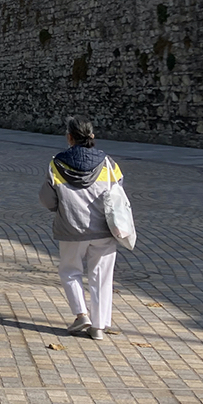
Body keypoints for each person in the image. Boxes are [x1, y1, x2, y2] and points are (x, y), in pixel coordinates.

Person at [39, 116, 124, 341]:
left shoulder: (56, 163)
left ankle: (81, 314)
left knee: (70, 270)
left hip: (71, 228)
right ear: (92, 136)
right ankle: (98, 326)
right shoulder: (108, 163)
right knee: (102, 276)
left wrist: (61, 208)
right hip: (104, 230)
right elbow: (118, 192)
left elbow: (48, 199)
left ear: (69, 137)